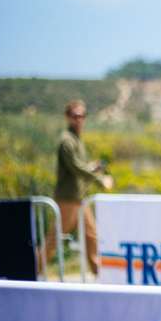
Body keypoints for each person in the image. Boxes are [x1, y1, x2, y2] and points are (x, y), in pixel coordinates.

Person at [45, 99, 113, 276]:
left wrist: (92, 166)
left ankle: (100, 278)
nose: (79, 119)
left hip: (79, 198)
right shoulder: (67, 141)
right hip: (68, 199)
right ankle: (31, 273)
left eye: (82, 116)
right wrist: (100, 179)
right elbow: (75, 167)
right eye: (75, 116)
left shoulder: (76, 139)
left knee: (92, 237)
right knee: (54, 240)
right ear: (67, 117)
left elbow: (79, 166)